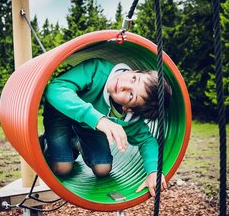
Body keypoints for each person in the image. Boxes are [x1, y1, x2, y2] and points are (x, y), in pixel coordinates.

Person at [42, 58, 172, 197]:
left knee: (103, 169)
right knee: (62, 168)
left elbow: (146, 140)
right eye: (134, 79)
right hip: (60, 113)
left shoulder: (126, 119)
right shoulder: (97, 70)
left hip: (89, 128)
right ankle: (46, 142)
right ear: (135, 71)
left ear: (128, 109)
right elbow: (55, 89)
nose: (124, 86)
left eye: (131, 95)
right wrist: (98, 119)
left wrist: (154, 171)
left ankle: (74, 142)